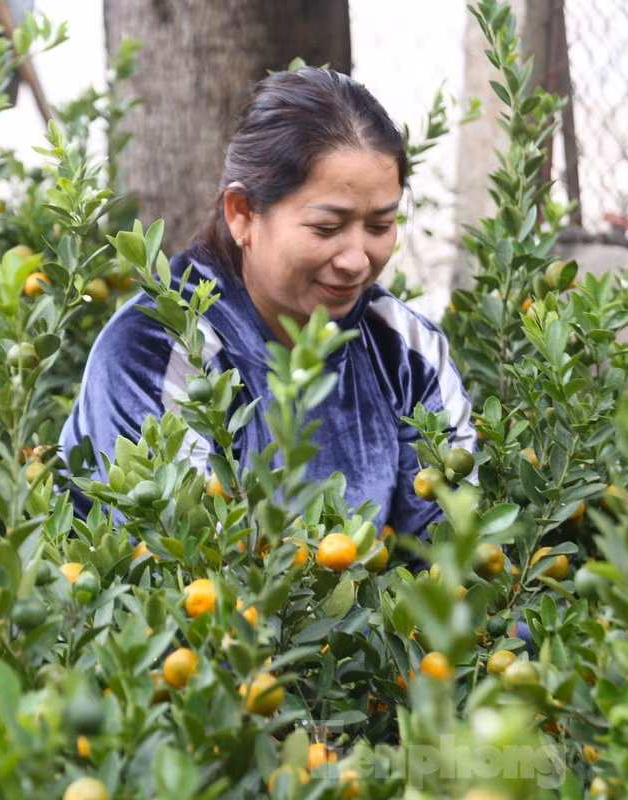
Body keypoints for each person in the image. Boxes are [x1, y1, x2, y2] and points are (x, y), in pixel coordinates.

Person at [61, 66, 475, 538]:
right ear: (242, 214)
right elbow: (182, 573)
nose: (358, 260)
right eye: (327, 228)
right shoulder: (154, 355)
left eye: (380, 226)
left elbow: (451, 555)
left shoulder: (405, 351)